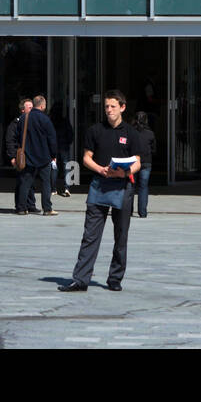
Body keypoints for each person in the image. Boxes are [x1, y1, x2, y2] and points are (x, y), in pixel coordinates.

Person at [58, 89, 142, 292]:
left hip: (123, 186)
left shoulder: (131, 133)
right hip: (99, 186)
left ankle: (115, 279)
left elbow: (138, 162)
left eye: (113, 106)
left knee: (121, 235)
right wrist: (100, 170)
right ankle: (81, 279)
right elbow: (86, 157)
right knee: (90, 235)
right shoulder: (95, 130)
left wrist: (124, 173)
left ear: (122, 107)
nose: (109, 110)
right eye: (106, 107)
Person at [17, 94, 59, 217]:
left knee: (25, 182)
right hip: (44, 157)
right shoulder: (45, 119)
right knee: (46, 183)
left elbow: (19, 136)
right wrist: (53, 154)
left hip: (28, 156)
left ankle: (21, 208)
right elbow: (52, 139)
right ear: (42, 106)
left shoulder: (24, 118)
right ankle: (47, 208)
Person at [6, 98, 38, 214]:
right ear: (22, 110)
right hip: (21, 157)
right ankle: (20, 205)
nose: (32, 109)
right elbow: (10, 141)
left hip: (31, 157)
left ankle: (30, 204)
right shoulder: (15, 124)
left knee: (31, 182)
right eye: (29, 107)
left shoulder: (32, 123)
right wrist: (13, 157)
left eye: (32, 107)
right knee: (22, 181)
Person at [130, 110, 155, 218]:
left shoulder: (130, 132)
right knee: (143, 187)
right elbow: (154, 149)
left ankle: (128, 211)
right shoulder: (150, 133)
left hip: (132, 162)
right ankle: (143, 212)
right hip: (146, 162)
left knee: (130, 186)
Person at [51, 105, 75, 198]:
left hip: (54, 146)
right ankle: (67, 188)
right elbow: (70, 133)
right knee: (66, 166)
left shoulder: (51, 121)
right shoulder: (65, 121)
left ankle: (53, 189)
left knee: (54, 166)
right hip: (64, 145)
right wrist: (68, 142)